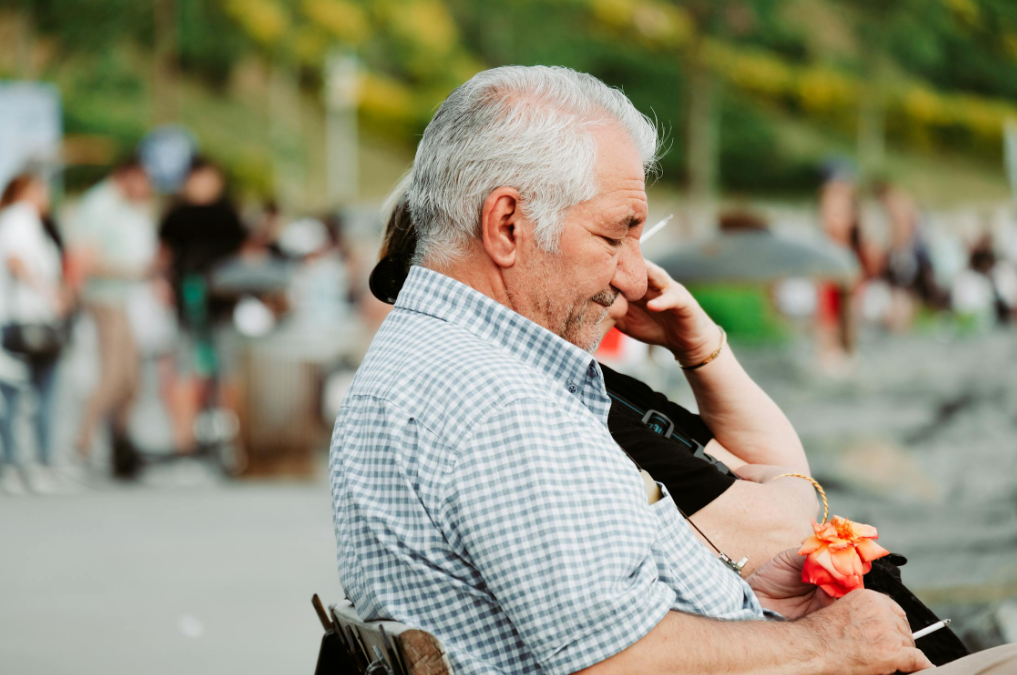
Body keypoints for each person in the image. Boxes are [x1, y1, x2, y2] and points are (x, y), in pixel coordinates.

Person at [331, 66, 1016, 674]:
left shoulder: (433, 361)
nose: (632, 274)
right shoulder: (501, 401)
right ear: (506, 224)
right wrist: (824, 645)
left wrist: (750, 593)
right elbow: (615, 657)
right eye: (614, 234)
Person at [69, 157, 158, 478]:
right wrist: (134, 271)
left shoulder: (126, 207)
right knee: (114, 376)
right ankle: (82, 443)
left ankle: (121, 447)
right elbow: (85, 260)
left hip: (124, 298)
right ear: (127, 176)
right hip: (105, 298)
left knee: (131, 380)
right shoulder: (99, 205)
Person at [0, 173, 71, 494]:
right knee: (26, 393)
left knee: (28, 393)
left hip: (31, 318)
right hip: (24, 319)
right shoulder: (20, 218)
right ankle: (24, 464)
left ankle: (28, 463)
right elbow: (16, 261)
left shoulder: (31, 222)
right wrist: (49, 293)